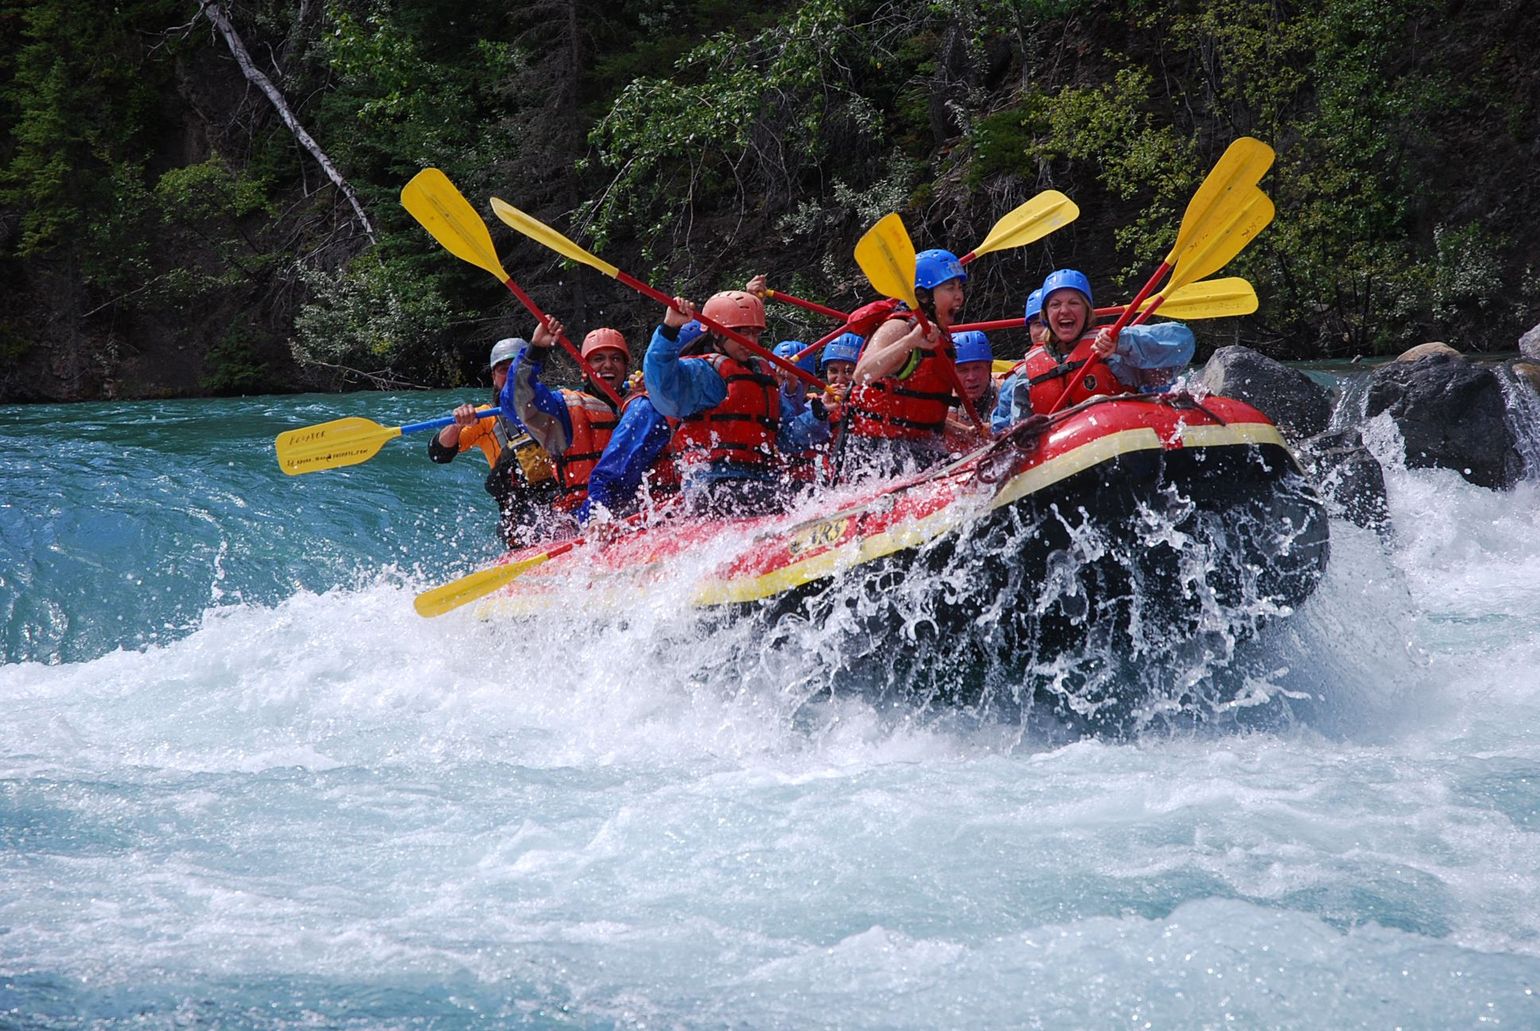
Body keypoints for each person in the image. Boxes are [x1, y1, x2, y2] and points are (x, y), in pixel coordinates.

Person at [643, 287, 828, 517]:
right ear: (716, 334)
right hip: (712, 484)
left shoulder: (763, 376)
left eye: (755, 333)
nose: (750, 341)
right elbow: (664, 391)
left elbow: (786, 439)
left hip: (761, 481)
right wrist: (669, 330)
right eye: (741, 333)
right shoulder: (705, 373)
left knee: (813, 494)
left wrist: (819, 412)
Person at [995, 269, 1195, 428]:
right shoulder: (1026, 374)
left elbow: (1183, 341)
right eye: (1055, 305)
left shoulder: (1112, 348)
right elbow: (1018, 434)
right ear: (1046, 316)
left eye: (1074, 303)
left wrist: (1122, 343)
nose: (1064, 310)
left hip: (1120, 439)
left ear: (1087, 311)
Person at [841, 248, 968, 480]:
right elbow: (863, 374)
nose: (959, 296)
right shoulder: (900, 327)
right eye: (950, 288)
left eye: (960, 287)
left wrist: (965, 432)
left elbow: (919, 413)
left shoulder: (941, 336)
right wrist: (909, 341)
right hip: (876, 452)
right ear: (923, 296)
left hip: (919, 449)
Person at [428, 337, 558, 547]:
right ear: (493, 377)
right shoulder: (485, 418)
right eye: (503, 369)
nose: (511, 375)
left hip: (562, 502)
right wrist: (457, 423)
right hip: (521, 518)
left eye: (517, 367)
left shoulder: (556, 404)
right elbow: (438, 453)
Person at [501, 320, 630, 520]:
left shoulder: (640, 402)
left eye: (616, 358)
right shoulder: (564, 409)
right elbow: (516, 401)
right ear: (584, 371)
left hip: (634, 507)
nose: (608, 365)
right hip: (580, 515)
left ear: (625, 367)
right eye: (598, 359)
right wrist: (535, 350)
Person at [991, 288, 1046, 432]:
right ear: (1029, 330)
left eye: (1047, 323)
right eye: (1037, 324)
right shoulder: (1013, 382)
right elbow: (1000, 434)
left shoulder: (1099, 352)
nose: (1044, 331)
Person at [944, 330, 995, 454]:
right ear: (951, 373)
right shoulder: (939, 400)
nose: (971, 377)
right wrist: (958, 429)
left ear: (989, 368)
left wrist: (997, 426)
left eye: (977, 368)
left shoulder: (1008, 391)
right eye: (963, 370)